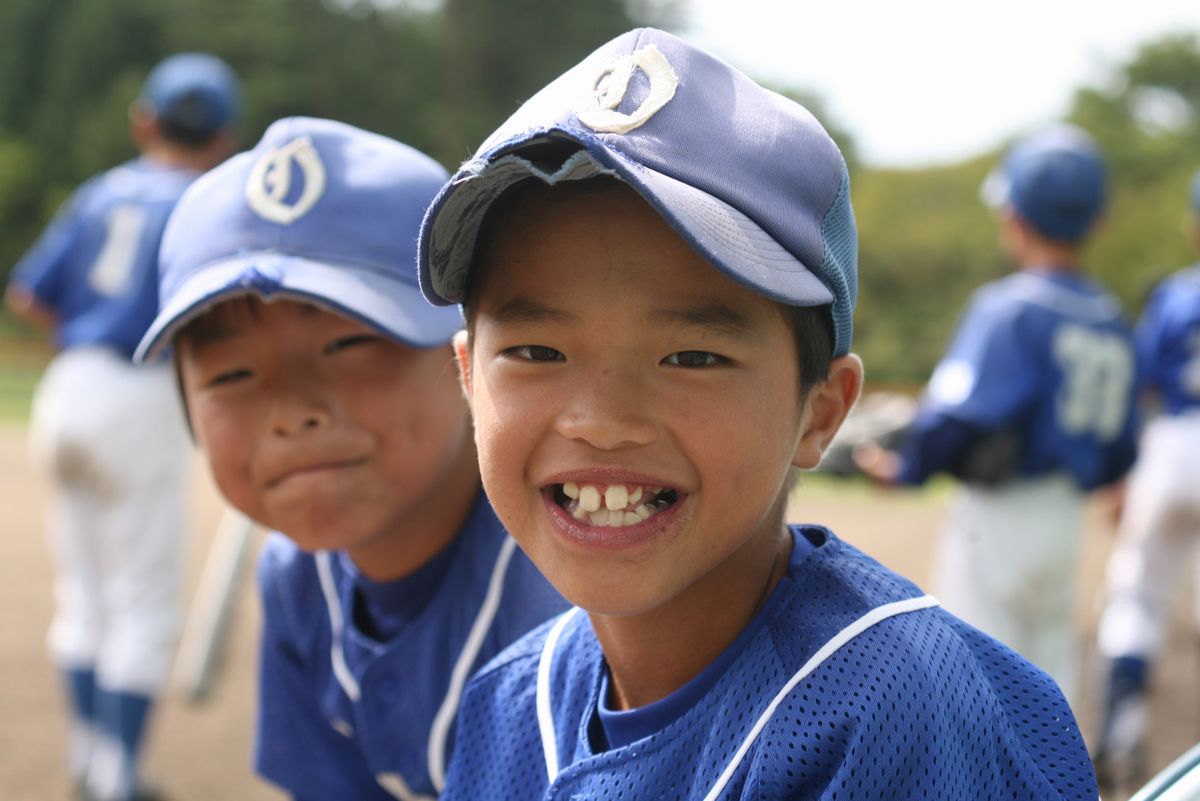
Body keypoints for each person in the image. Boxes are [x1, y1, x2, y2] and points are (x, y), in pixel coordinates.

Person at [416, 28, 1099, 800]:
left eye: (692, 357)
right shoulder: (510, 700)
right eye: (538, 351)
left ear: (821, 411)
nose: (601, 420)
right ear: (469, 377)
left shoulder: (907, 711)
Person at [133, 116, 567, 801]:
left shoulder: (572, 591)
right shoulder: (297, 576)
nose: (292, 410)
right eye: (230, 376)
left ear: (471, 358)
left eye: (350, 346)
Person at [4, 53, 240, 801]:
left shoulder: (101, 190)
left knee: (86, 596)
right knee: (142, 605)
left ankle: (87, 757)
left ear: (145, 121)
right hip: (142, 393)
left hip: (70, 385)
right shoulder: (207, 201)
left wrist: (83, 327)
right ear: (226, 136)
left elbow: (28, 294)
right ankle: (116, 781)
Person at [855, 124, 1139, 707]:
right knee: (1047, 680)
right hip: (1066, 517)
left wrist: (906, 469)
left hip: (1000, 513)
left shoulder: (1009, 308)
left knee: (975, 673)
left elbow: (959, 419)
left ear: (1014, 214)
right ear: (1096, 222)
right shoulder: (1110, 316)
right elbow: (1124, 447)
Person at [1091, 170, 1200, 789]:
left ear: (1193, 226)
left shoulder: (1177, 295)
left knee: (1137, 597)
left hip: (1170, 445)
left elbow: (1140, 389)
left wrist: (1123, 475)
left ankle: (1120, 741)